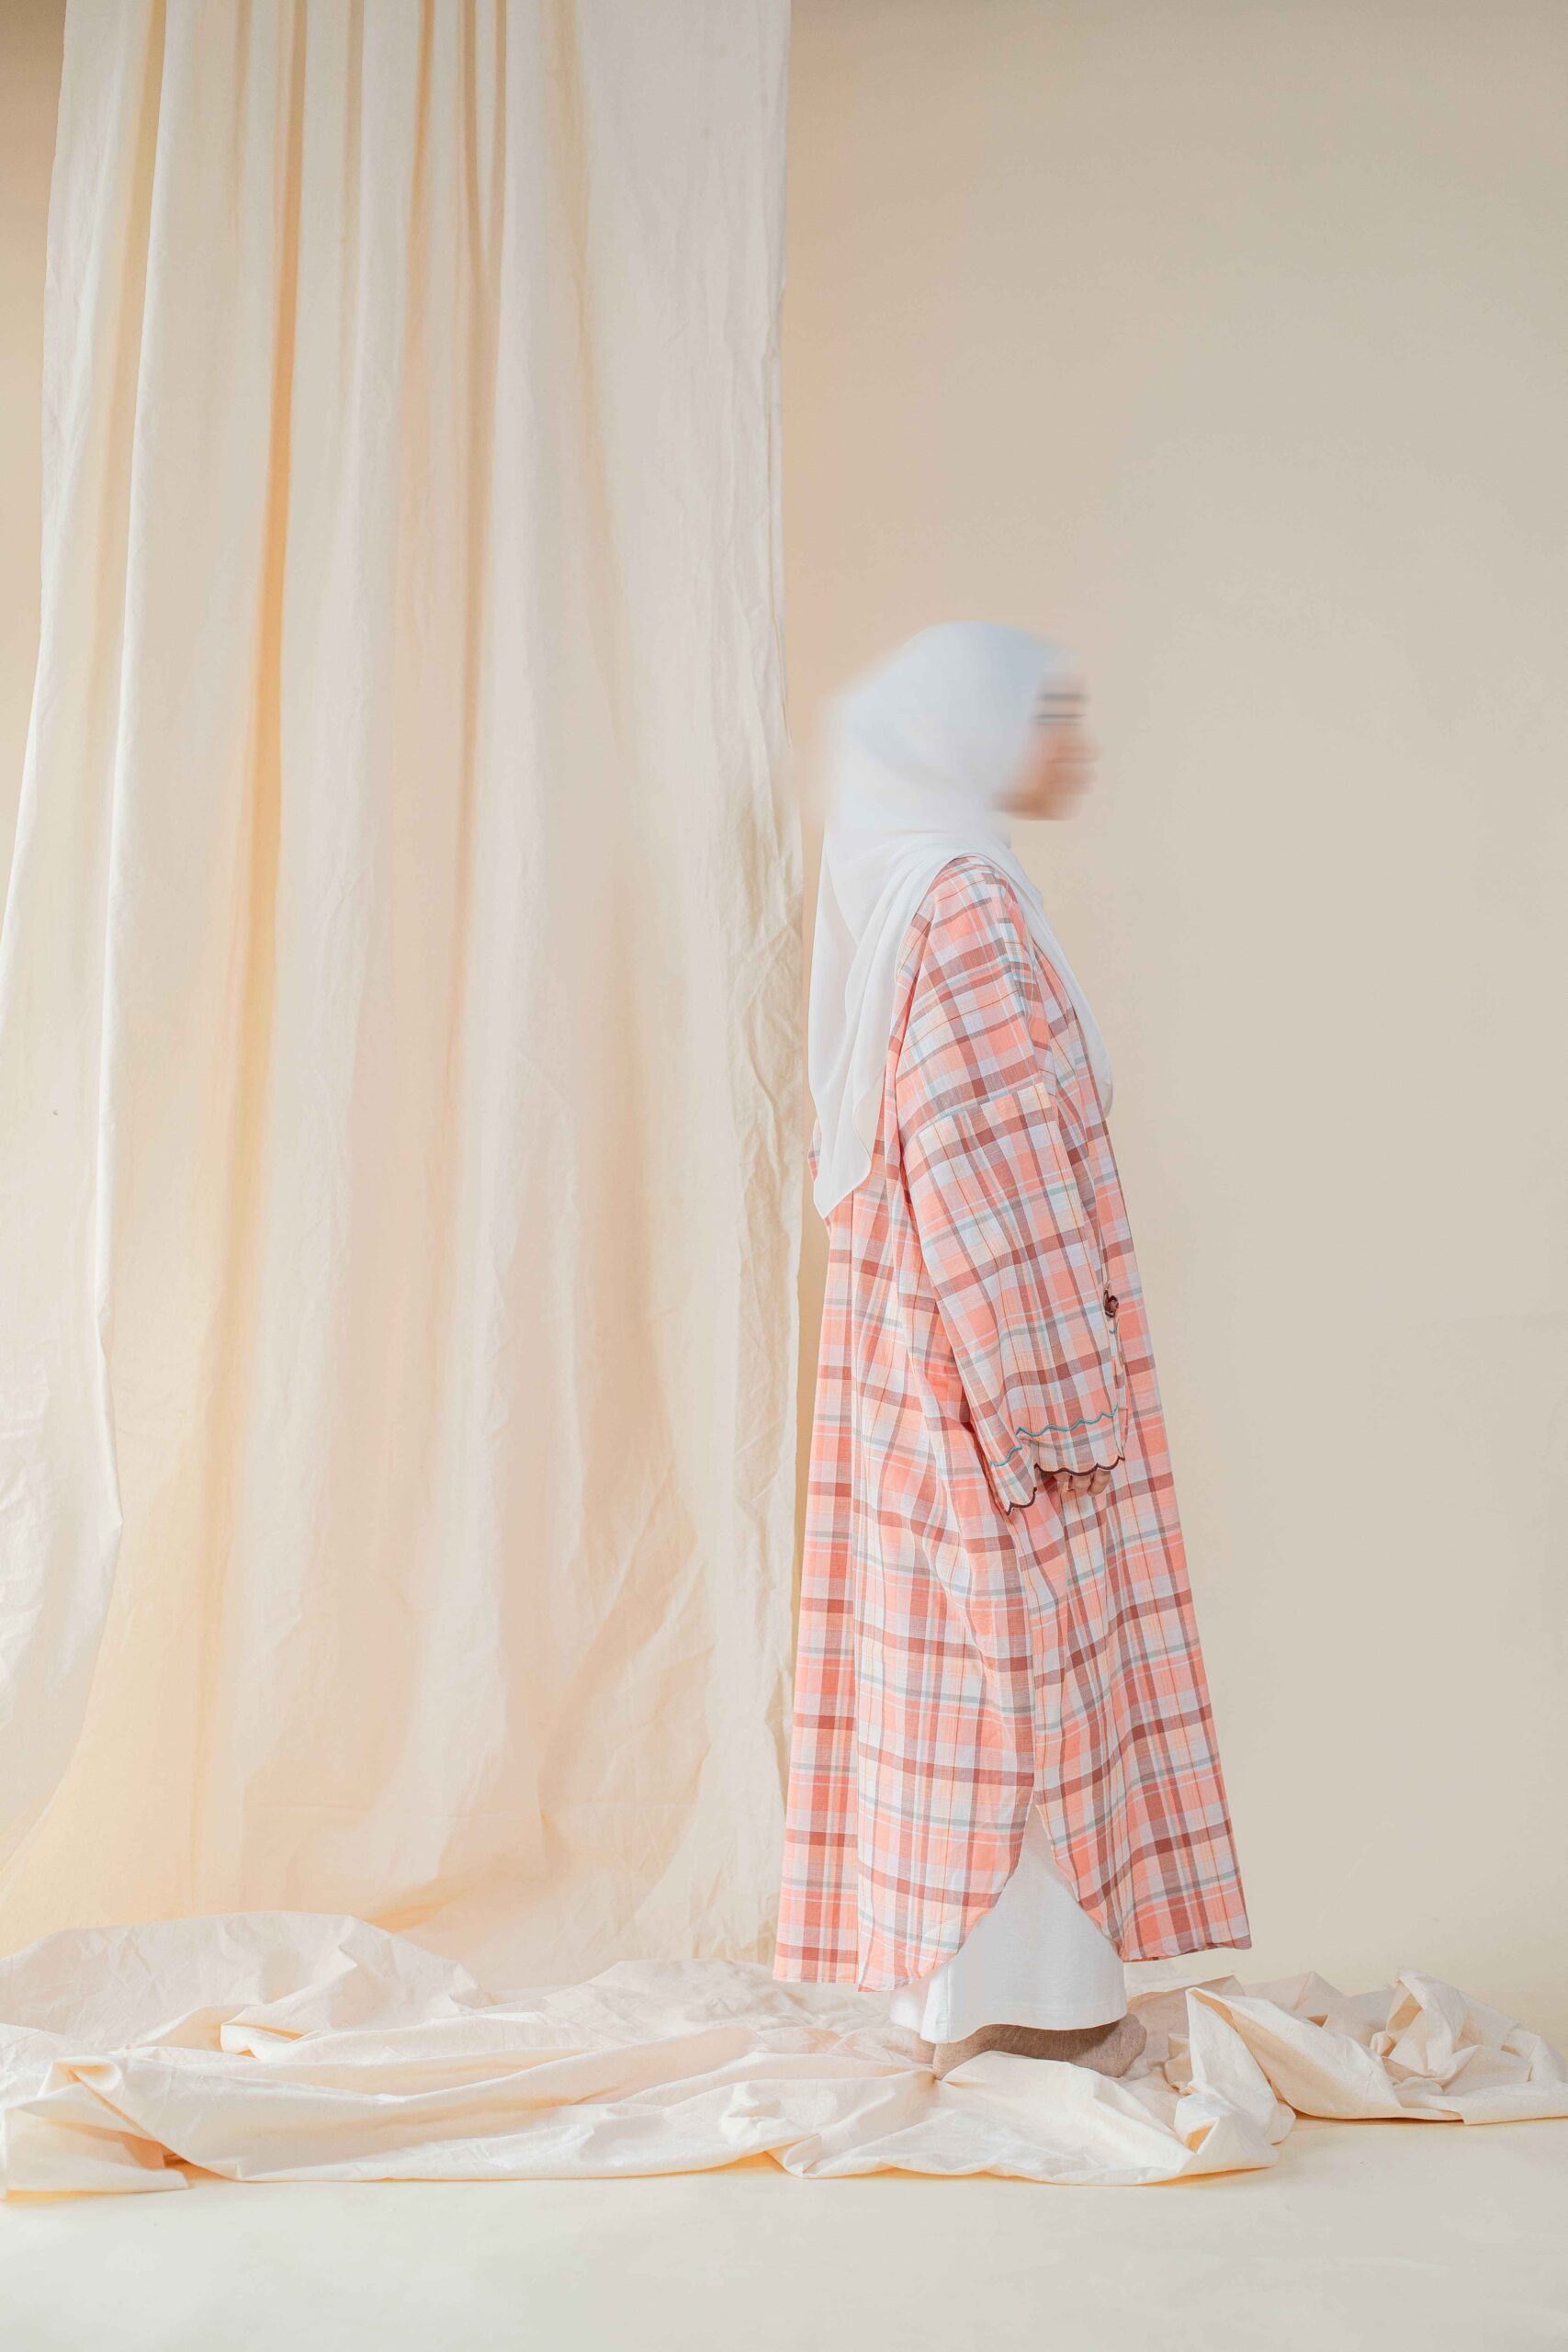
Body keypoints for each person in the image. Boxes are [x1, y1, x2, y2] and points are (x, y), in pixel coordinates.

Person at [773, 622, 1251, 2076]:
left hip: (929, 1357)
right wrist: (1059, 1407)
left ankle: (970, 1997)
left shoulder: (915, 888)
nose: (1072, 744)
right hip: (991, 1376)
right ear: (967, 734)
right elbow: (989, 1166)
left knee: (956, 1669)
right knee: (1021, 1674)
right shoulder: (966, 904)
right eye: (1046, 714)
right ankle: (1027, 2006)